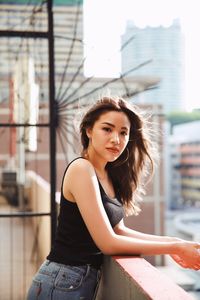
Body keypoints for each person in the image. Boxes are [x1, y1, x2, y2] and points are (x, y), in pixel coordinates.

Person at [27, 96, 200, 300]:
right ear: (89, 130)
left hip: (77, 283)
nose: (116, 139)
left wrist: (174, 241)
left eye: (123, 132)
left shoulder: (108, 175)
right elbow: (108, 242)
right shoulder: (82, 169)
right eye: (107, 129)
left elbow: (119, 230)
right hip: (61, 282)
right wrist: (174, 248)